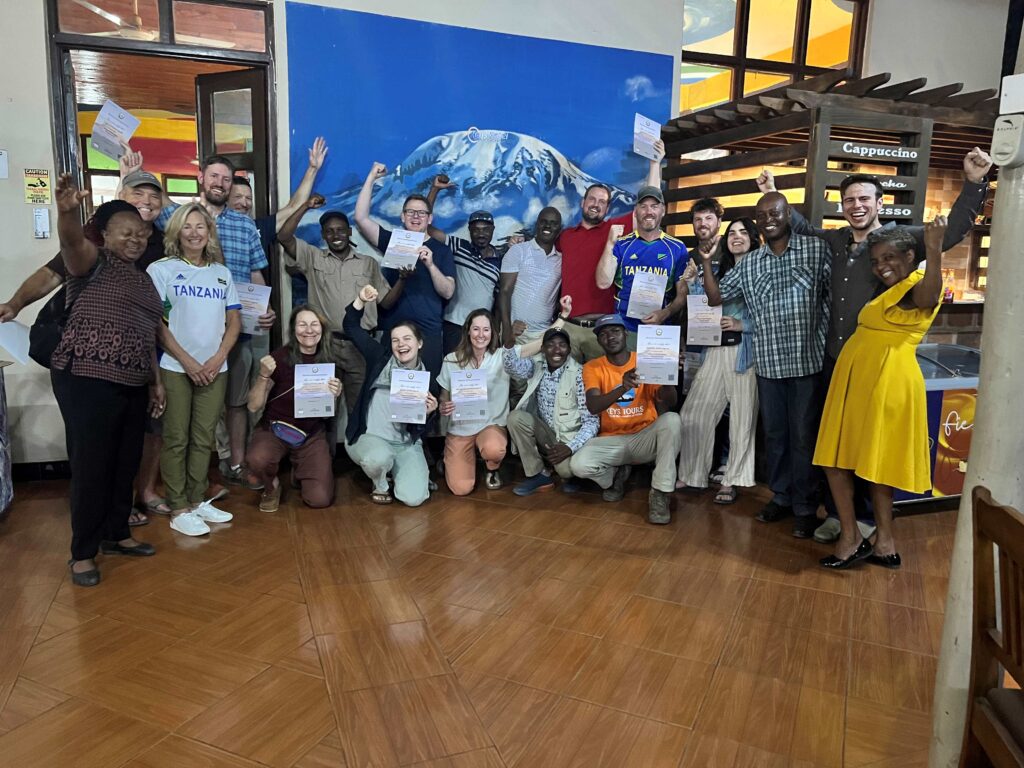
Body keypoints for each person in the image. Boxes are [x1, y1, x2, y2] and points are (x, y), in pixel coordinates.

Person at [756, 147, 992, 542]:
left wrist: (974, 184)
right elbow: (801, 228)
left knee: (870, 445)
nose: (857, 205)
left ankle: (865, 520)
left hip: (879, 366)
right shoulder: (834, 241)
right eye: (849, 200)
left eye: (864, 199)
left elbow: (948, 234)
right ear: (842, 207)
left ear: (879, 203)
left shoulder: (900, 240)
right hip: (835, 361)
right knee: (835, 445)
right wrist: (775, 190)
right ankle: (837, 514)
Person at [1, 168, 170, 524]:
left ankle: (119, 519)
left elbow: (148, 323)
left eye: (155, 195)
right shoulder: (94, 246)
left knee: (131, 444)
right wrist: (16, 303)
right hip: (82, 362)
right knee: (92, 448)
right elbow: (55, 269)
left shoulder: (160, 242)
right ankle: (87, 535)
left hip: (135, 362)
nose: (147, 201)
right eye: (139, 194)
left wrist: (155, 379)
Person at [125, 151, 275, 489]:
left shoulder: (245, 225)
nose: (219, 183)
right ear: (202, 179)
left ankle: (234, 464)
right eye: (214, 177)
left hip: (234, 334)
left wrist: (263, 309)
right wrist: (137, 172)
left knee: (234, 403)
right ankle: (189, 485)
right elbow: (147, 204)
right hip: (183, 343)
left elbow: (255, 273)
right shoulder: (176, 218)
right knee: (183, 423)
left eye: (225, 178)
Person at [814, 219, 948, 569]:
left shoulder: (919, 282)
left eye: (890, 257)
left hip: (885, 379)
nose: (882, 266)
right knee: (871, 462)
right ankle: (884, 542)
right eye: (876, 260)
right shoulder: (890, 288)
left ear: (910, 255)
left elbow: (930, 297)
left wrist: (933, 250)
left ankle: (851, 538)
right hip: (863, 378)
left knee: (837, 459)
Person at [50, 178, 163, 587]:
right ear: (105, 234)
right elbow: (70, 246)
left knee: (124, 462)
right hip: (86, 377)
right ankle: (82, 551)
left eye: (140, 233)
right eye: (126, 233)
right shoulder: (91, 262)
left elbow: (146, 331)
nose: (135, 239)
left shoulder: (144, 279)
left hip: (133, 381)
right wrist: (66, 213)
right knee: (91, 463)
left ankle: (117, 534)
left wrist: (155, 382)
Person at [700, 193, 831, 538]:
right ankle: (782, 497)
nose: (768, 219)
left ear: (788, 214)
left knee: (803, 438)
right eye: (761, 215)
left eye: (774, 213)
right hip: (768, 364)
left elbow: (834, 295)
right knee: (776, 436)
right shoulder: (751, 262)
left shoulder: (814, 250)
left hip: (807, 362)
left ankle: (805, 507)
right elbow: (715, 298)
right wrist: (708, 263)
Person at [147, 204, 241, 537]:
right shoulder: (162, 270)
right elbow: (158, 323)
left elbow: (234, 322)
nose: (194, 232)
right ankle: (178, 506)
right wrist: (187, 361)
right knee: (176, 438)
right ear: (176, 232)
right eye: (187, 227)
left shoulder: (221, 273)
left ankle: (197, 498)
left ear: (209, 232)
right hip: (175, 366)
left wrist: (217, 359)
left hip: (216, 368)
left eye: (201, 226)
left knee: (204, 439)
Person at [278, 200, 393, 413]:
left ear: (349, 232)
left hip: (359, 345)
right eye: (329, 231)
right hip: (325, 345)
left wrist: (404, 279)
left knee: (359, 410)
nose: (335, 235)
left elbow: (386, 301)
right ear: (323, 235)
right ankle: (324, 447)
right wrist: (305, 206)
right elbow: (284, 237)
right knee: (322, 411)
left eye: (340, 230)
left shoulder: (368, 263)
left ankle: (356, 446)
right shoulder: (313, 257)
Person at [558, 140, 666, 361]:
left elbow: (648, 204)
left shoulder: (615, 230)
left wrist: (655, 163)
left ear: (608, 208)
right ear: (582, 203)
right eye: (592, 199)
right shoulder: (566, 236)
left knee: (602, 390)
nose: (596, 204)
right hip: (569, 328)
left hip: (603, 329)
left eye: (602, 202)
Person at [677, 218, 760, 504]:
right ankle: (691, 473)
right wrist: (692, 282)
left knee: (742, 420)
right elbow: (708, 304)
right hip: (715, 349)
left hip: (744, 353)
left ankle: (733, 479)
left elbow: (774, 313)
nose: (737, 237)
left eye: (743, 232)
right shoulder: (723, 270)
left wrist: (743, 324)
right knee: (694, 411)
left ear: (753, 238)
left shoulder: (762, 269)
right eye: (732, 233)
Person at [570, 315, 681, 524]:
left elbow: (670, 401)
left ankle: (660, 493)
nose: (610, 337)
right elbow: (593, 406)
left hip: (644, 437)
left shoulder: (646, 358)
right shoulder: (593, 367)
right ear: (598, 341)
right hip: (611, 440)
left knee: (673, 420)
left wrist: (668, 377)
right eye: (603, 334)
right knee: (578, 465)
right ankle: (615, 476)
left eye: (615, 331)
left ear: (626, 334)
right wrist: (623, 386)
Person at [354, 162, 456, 380]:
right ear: (402, 217)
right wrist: (372, 177)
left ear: (430, 218)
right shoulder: (394, 242)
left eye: (421, 213)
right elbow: (361, 219)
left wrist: (430, 265)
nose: (416, 216)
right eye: (410, 212)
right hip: (394, 332)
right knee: (388, 390)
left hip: (428, 334)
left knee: (427, 395)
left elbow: (448, 291)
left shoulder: (442, 251)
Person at [343, 284, 439, 507]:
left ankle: (404, 475)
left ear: (419, 343)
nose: (401, 344)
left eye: (407, 339)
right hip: (370, 439)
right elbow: (350, 326)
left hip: (405, 444)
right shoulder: (379, 357)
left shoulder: (427, 379)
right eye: (395, 340)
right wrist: (360, 300)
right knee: (378, 458)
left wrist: (430, 414)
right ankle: (380, 483)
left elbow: (420, 429)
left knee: (413, 499)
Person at [246, 305, 341, 513]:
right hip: (275, 430)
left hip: (310, 434)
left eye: (314, 324)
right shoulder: (278, 358)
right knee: (257, 459)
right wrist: (263, 376)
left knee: (319, 499)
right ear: (293, 329)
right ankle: (271, 487)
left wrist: (335, 394)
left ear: (322, 330)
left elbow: (327, 411)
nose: (309, 330)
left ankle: (299, 471)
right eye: (302, 324)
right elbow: (253, 406)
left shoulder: (328, 360)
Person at [503, 297, 600, 496]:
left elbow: (592, 422)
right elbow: (511, 366)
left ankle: (574, 474)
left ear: (569, 349)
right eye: (551, 345)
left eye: (562, 345)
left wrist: (570, 447)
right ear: (544, 349)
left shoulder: (580, 374)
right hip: (548, 433)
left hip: (570, 437)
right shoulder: (537, 367)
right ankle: (538, 474)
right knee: (516, 418)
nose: (557, 350)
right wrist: (510, 341)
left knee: (565, 470)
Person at [229, 136, 329, 306]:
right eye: (237, 197)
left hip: (248, 308)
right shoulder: (212, 227)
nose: (244, 203)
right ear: (226, 199)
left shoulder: (258, 227)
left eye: (248, 198)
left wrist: (312, 169)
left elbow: (293, 207)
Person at [425, 176, 517, 353]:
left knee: (475, 378)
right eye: (476, 229)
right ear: (470, 231)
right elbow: (426, 228)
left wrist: (496, 332)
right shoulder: (459, 247)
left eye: (486, 229)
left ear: (493, 231)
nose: (481, 234)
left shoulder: (500, 262)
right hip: (454, 325)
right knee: (451, 372)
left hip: (482, 331)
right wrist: (434, 190)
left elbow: (498, 302)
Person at [595, 186, 689, 343]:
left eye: (654, 206)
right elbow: (603, 282)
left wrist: (665, 313)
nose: (649, 212)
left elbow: (682, 294)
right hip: (624, 331)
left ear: (663, 210)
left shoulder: (677, 248)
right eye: (643, 206)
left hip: (659, 330)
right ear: (635, 211)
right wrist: (610, 244)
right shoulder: (622, 244)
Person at [437, 309, 510, 495]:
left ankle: (492, 468)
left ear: (492, 332)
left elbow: (533, 347)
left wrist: (562, 318)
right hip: (460, 427)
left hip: (489, 424)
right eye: (476, 329)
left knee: (494, 449)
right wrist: (444, 404)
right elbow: (444, 394)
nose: (481, 335)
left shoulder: (502, 356)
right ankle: (449, 459)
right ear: (468, 331)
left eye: (486, 330)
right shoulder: (451, 360)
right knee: (461, 489)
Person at [498, 207, 564, 347]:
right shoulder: (518, 250)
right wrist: (507, 329)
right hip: (517, 333)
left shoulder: (561, 261)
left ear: (559, 229)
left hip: (544, 336)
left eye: (553, 223)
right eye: (543, 221)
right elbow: (504, 292)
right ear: (537, 224)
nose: (548, 226)